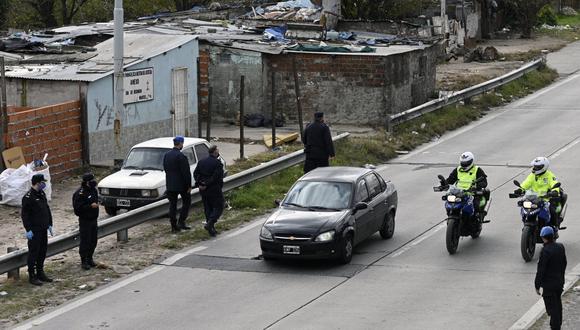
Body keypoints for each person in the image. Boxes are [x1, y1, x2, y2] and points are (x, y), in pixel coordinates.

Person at [21, 173, 54, 286]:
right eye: (42, 182)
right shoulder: (28, 197)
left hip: (43, 228)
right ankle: (32, 275)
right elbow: (25, 215)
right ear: (37, 183)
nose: (44, 184)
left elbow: (46, 209)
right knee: (34, 253)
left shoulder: (41, 194)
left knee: (42, 252)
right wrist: (28, 229)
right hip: (34, 231)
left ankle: (40, 273)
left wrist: (50, 223)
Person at [514, 157, 564, 227]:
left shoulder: (549, 175)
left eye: (537, 167)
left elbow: (554, 183)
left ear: (544, 167)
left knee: (552, 211)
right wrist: (520, 189)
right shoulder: (532, 175)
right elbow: (526, 183)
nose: (535, 168)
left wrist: (554, 191)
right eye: (534, 166)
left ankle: (554, 227)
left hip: (545, 199)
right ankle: (526, 222)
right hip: (533, 198)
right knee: (522, 205)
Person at [535, 226, 567, 330]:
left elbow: (541, 270)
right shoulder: (560, 247)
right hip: (559, 283)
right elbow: (564, 264)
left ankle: (555, 327)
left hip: (549, 286)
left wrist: (537, 285)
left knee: (552, 310)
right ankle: (557, 325)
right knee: (557, 304)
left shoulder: (545, 251)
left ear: (544, 238)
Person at [163, 136, 192, 233]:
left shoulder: (167, 155)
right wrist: (189, 185)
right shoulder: (181, 156)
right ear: (180, 144)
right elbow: (186, 172)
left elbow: (166, 169)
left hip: (170, 185)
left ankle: (173, 226)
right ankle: (181, 222)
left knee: (173, 205)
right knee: (187, 202)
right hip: (182, 185)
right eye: (182, 143)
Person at [194, 145, 224, 237]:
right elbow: (216, 177)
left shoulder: (201, 161)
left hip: (203, 190)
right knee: (219, 207)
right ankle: (210, 223)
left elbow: (196, 174)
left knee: (208, 208)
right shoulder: (218, 163)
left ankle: (211, 229)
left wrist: (200, 184)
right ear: (215, 152)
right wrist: (206, 184)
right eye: (218, 150)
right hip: (214, 189)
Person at [73, 173, 100, 270]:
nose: (94, 181)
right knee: (86, 241)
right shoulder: (80, 193)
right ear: (86, 182)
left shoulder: (93, 190)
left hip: (94, 219)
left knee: (93, 241)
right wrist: (90, 206)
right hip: (85, 221)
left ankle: (90, 258)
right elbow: (77, 209)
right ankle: (84, 261)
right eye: (92, 180)